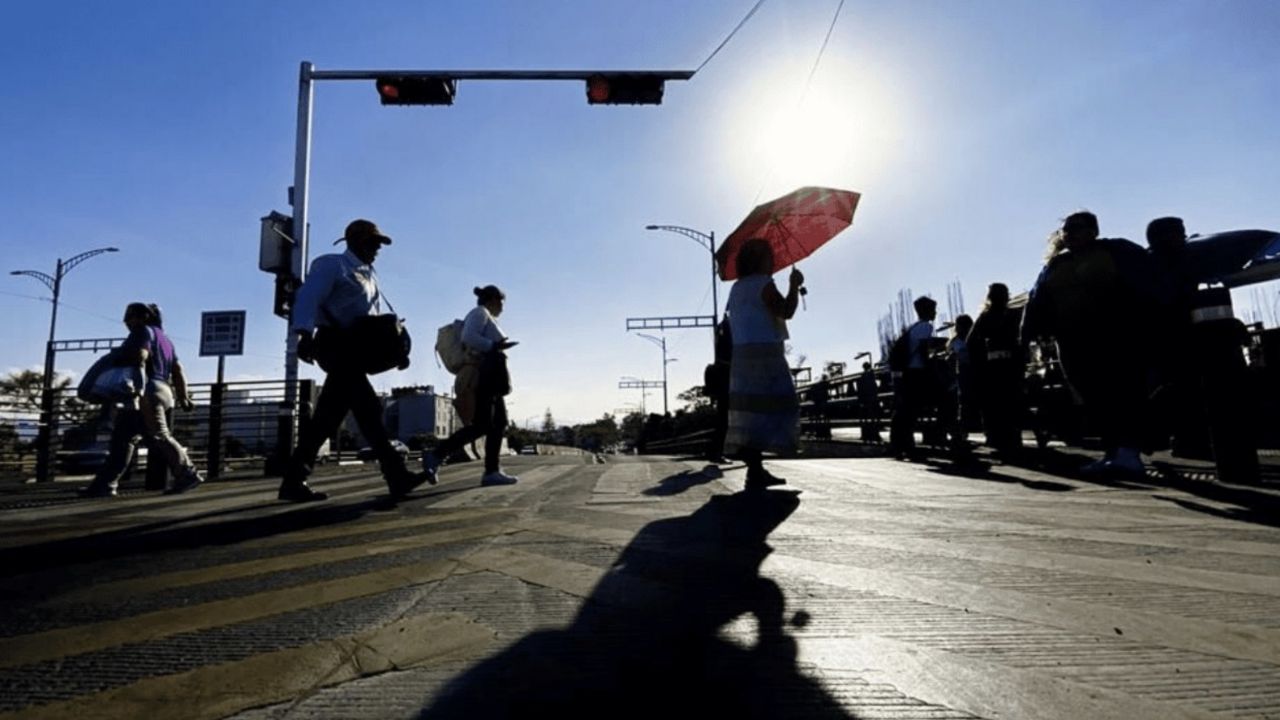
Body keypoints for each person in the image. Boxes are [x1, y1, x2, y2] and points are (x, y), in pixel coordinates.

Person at [279, 219, 430, 502]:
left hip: (354, 350)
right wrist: (304, 333)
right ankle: (396, 475)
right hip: (335, 345)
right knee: (369, 409)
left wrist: (393, 351)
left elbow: (370, 321)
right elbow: (309, 297)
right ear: (355, 241)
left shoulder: (370, 275)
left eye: (378, 244)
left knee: (328, 418)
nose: (377, 249)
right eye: (373, 243)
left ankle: (293, 479)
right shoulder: (331, 265)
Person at [1022, 211, 1158, 477]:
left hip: (1114, 334)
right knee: (1093, 396)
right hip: (1071, 339)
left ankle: (1129, 453)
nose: (1070, 233)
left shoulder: (1116, 250)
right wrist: (1025, 337)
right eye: (1066, 229)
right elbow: (1035, 300)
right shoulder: (1055, 265)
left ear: (1093, 230)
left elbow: (1149, 280)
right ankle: (1112, 454)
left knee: (1122, 392)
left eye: (1077, 228)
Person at [79, 303, 203, 497]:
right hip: (164, 390)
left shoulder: (141, 332)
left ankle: (188, 474)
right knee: (123, 438)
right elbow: (178, 370)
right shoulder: (166, 340)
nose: (126, 322)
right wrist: (183, 397)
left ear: (143, 317)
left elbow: (140, 356)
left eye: (129, 317)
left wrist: (137, 387)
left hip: (146, 390)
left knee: (159, 435)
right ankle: (104, 485)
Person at [723, 238, 804, 491]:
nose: (773, 260)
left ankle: (755, 469)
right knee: (779, 405)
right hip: (766, 354)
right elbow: (785, 311)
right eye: (769, 256)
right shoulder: (763, 284)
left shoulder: (736, 288)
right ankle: (759, 467)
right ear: (760, 260)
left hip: (742, 357)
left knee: (752, 413)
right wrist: (793, 286)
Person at [422, 285, 519, 486]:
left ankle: (492, 471)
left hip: (491, 376)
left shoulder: (486, 316)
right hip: (484, 376)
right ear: (492, 300)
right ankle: (436, 454)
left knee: (498, 423)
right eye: (501, 302)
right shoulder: (479, 313)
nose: (502, 307)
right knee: (483, 424)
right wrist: (494, 346)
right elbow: (468, 337)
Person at [967, 283, 1024, 453]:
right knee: (1004, 401)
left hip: (997, 364)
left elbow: (971, 342)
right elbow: (972, 342)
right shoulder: (1010, 315)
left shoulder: (989, 316)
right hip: (1004, 364)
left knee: (999, 402)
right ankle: (1006, 437)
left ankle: (1002, 437)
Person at [888, 296, 938, 459]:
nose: (935, 313)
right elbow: (923, 351)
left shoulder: (913, 328)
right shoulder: (926, 327)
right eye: (933, 309)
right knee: (912, 410)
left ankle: (899, 445)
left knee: (904, 410)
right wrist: (930, 368)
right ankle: (908, 446)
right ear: (927, 310)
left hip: (906, 372)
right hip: (915, 372)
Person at [704, 316, 733, 463]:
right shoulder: (730, 336)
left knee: (723, 419)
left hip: (723, 383)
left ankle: (715, 451)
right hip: (727, 382)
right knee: (725, 420)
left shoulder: (720, 335)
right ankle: (716, 452)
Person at [855, 361, 882, 443]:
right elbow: (875, 387)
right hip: (873, 398)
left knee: (866, 418)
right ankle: (875, 435)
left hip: (866, 400)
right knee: (875, 418)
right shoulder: (872, 375)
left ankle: (866, 435)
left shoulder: (862, 376)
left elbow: (860, 389)